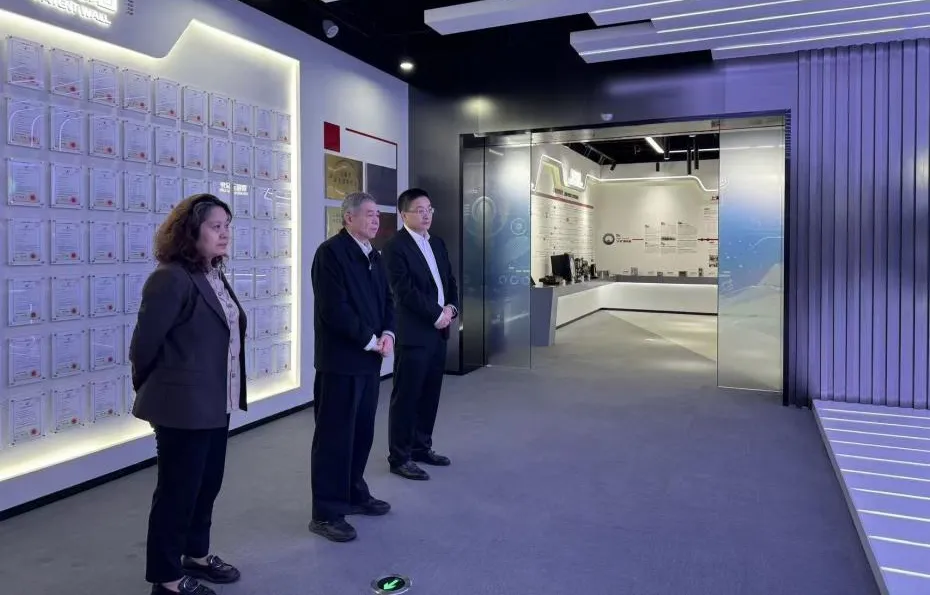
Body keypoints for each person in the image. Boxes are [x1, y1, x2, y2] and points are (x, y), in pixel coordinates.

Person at [130, 194, 246, 595]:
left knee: (207, 484)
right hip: (181, 407)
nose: (224, 234)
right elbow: (143, 347)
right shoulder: (170, 278)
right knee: (177, 492)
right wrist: (159, 392)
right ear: (190, 230)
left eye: (227, 226)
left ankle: (195, 554)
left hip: (216, 402)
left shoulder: (212, 273)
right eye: (216, 226)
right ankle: (166, 578)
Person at [309, 191, 395, 543]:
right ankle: (326, 513)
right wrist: (370, 340)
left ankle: (353, 492)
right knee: (334, 438)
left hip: (369, 361)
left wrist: (388, 333)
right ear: (349, 218)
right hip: (341, 363)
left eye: (377, 215)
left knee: (361, 433)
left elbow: (388, 299)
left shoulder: (374, 254)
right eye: (369, 214)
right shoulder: (330, 254)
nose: (376, 220)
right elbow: (335, 309)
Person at [382, 188, 459, 481]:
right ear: (404, 215)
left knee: (430, 394)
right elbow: (403, 291)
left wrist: (451, 307)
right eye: (419, 210)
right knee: (407, 396)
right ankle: (399, 457)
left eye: (429, 209)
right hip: (414, 334)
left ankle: (421, 447)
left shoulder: (436, 243)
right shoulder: (395, 247)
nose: (426, 215)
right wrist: (436, 314)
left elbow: (448, 280)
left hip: (439, 332)